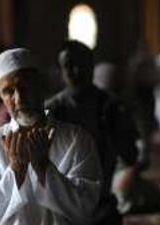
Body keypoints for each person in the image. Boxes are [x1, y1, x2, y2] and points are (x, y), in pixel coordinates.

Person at [0, 48, 103, 225]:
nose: (19, 99)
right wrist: (15, 172)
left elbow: (85, 209)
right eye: (8, 92)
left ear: (41, 85)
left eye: (24, 86)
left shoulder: (76, 140)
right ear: (0, 96)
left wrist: (44, 168)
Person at [45, 40, 141, 225]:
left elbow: (130, 155)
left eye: (81, 65)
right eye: (69, 66)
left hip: (101, 201)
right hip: (60, 204)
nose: (76, 71)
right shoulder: (52, 111)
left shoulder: (111, 107)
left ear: (92, 66)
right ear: (61, 70)